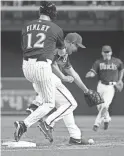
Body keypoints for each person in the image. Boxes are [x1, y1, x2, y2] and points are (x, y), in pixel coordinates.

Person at [14, 1, 67, 142]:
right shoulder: (56, 28)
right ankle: (24, 124)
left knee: (43, 94)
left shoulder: (26, 26)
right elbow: (62, 52)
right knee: (50, 103)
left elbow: (24, 46)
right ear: (52, 13)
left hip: (26, 66)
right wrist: (62, 53)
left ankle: (35, 104)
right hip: (42, 65)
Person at [26, 33, 91, 145]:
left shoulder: (64, 54)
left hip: (46, 78)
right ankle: (46, 121)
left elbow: (73, 73)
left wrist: (86, 90)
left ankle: (75, 137)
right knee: (71, 104)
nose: (76, 49)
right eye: (76, 46)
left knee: (65, 106)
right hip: (45, 77)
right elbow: (50, 64)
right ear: (71, 43)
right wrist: (63, 77)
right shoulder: (55, 46)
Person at [86, 45, 124, 131]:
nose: (107, 54)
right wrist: (91, 74)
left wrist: (120, 80)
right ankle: (107, 119)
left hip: (111, 86)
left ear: (111, 52)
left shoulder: (117, 61)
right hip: (101, 85)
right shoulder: (98, 62)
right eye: (105, 52)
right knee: (99, 106)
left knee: (105, 106)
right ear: (102, 53)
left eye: (108, 52)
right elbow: (93, 72)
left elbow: (122, 69)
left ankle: (96, 124)